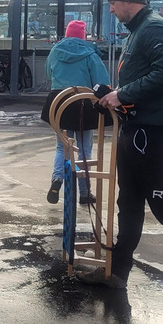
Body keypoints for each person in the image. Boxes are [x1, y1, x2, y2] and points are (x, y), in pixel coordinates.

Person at [77, 0, 163, 306]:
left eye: (113, 3)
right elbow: (145, 77)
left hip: (151, 131)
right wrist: (115, 95)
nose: (112, 9)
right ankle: (117, 273)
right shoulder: (138, 31)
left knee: (162, 204)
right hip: (135, 129)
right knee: (129, 203)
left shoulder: (154, 28)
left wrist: (123, 94)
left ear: (128, 1)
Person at [45, 19, 110, 206]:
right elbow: (101, 81)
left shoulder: (55, 51)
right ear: (83, 36)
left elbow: (48, 73)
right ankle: (84, 192)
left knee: (62, 147)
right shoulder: (90, 54)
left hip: (59, 103)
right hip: (82, 104)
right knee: (83, 149)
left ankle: (57, 180)